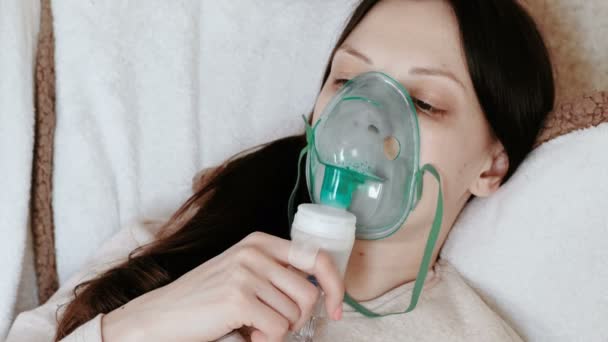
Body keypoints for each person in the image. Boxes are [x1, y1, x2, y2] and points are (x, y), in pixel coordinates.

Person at [7, 0, 554, 341]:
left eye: (425, 102)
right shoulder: (181, 244)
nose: (366, 121)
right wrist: (145, 326)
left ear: (492, 163)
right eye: (347, 83)